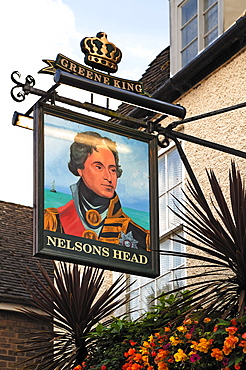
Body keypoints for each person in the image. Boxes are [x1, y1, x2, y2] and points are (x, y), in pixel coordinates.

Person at [44, 131, 150, 250]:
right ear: (80, 168)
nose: (109, 178)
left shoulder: (140, 236)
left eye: (113, 170)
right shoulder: (53, 222)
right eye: (99, 167)